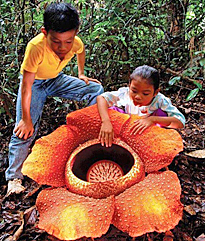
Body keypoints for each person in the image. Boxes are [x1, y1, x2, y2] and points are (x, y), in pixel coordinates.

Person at [6, 2, 104, 195]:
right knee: (24, 130)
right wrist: (26, 119)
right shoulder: (35, 47)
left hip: (55, 79)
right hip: (34, 85)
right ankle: (14, 178)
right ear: (45, 32)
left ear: (75, 32)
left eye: (68, 41)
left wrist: (82, 73)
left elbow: (80, 51)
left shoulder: (75, 43)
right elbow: (26, 87)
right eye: (56, 41)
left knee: (96, 89)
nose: (63, 47)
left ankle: (88, 133)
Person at [97, 65, 185, 147]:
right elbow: (102, 98)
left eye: (145, 93)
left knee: (162, 114)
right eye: (134, 91)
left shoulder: (160, 101)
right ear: (129, 86)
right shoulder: (125, 94)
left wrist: (152, 120)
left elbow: (180, 122)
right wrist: (106, 122)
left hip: (151, 134)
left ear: (156, 92)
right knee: (112, 110)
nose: (138, 97)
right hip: (127, 130)